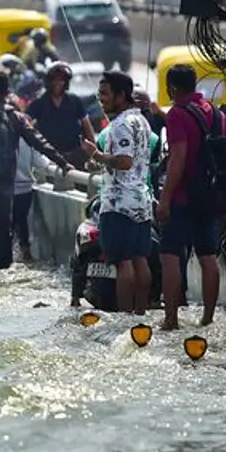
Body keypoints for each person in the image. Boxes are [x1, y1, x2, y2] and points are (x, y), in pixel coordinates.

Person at [0, 71, 71, 270]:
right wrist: (63, 163)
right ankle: (3, 272)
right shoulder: (15, 117)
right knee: (3, 229)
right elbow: (39, 142)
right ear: (7, 91)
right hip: (3, 183)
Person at [157, 63, 226, 330]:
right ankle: (208, 318)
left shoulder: (177, 114)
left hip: (183, 196)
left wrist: (165, 199)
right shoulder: (214, 113)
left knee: (170, 254)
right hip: (210, 196)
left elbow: (179, 158)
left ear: (172, 88)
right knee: (208, 255)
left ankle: (171, 319)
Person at [80, 72, 153, 315]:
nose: (101, 100)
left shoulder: (120, 125)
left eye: (106, 94)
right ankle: (140, 315)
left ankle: (125, 318)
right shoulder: (142, 120)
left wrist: (96, 154)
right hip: (141, 201)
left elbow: (124, 161)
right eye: (99, 94)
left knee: (123, 263)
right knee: (140, 259)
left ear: (122, 95)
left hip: (119, 203)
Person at [24, 61, 94, 168]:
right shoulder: (39, 101)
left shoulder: (74, 100)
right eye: (54, 80)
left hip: (75, 153)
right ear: (48, 81)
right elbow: (25, 122)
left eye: (61, 80)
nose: (58, 83)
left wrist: (93, 153)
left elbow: (87, 126)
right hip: (49, 157)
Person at [13, 138, 49, 262]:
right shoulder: (27, 139)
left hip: (2, 188)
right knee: (22, 221)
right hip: (24, 188)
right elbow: (41, 163)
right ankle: (25, 252)